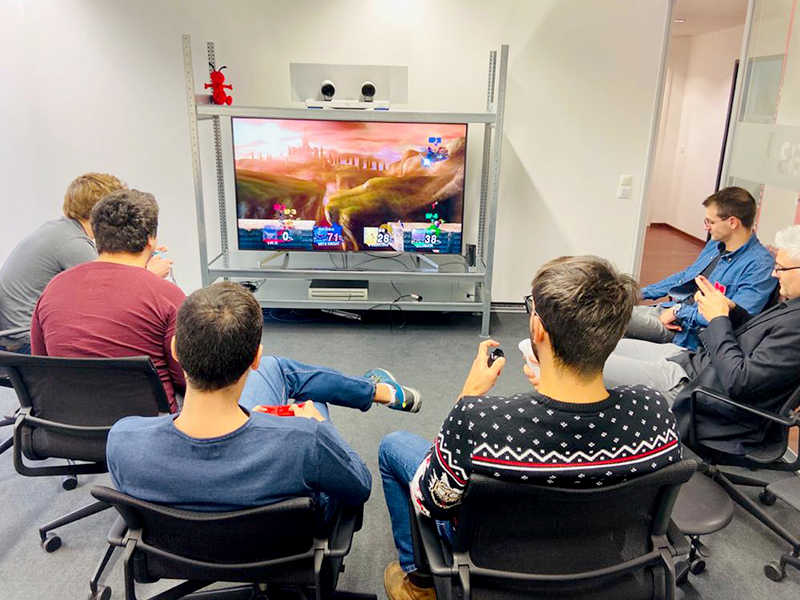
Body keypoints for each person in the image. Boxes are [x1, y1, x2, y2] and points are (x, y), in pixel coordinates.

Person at [378, 256, 682, 600]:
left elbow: (431, 501)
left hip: (494, 565)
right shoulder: (655, 410)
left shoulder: (479, 420)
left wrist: (468, 396)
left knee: (393, 446)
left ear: (537, 329)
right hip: (605, 565)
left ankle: (419, 584)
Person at [106, 281, 420, 523]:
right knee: (310, 400)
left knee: (279, 373)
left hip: (178, 555)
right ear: (255, 357)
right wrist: (322, 428)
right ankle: (376, 390)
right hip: (291, 551)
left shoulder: (123, 439)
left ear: (175, 349)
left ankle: (372, 390)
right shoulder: (306, 440)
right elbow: (360, 487)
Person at [605, 224, 800, 456]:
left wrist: (718, 319)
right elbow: (756, 335)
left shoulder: (796, 326)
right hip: (691, 363)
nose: (774, 274)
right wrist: (731, 309)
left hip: (696, 391)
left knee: (589, 365)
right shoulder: (792, 306)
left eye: (780, 268)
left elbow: (739, 381)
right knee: (604, 348)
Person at [30, 190, 185, 411]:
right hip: (147, 426)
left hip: (65, 424)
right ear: (151, 240)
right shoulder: (168, 296)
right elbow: (185, 376)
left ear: (97, 235)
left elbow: (41, 367)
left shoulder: (54, 288)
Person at [0, 173, 173, 353]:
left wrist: (140, 255)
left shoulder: (60, 230)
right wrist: (149, 274)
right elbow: (114, 294)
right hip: (25, 342)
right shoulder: (73, 244)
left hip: (13, 339)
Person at [628, 187, 775, 350]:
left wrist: (679, 311)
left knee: (610, 317)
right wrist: (640, 293)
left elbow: (734, 317)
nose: (706, 228)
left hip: (687, 333)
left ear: (732, 222)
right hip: (671, 313)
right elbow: (687, 275)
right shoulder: (715, 245)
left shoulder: (760, 266)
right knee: (612, 313)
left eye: (710, 222)